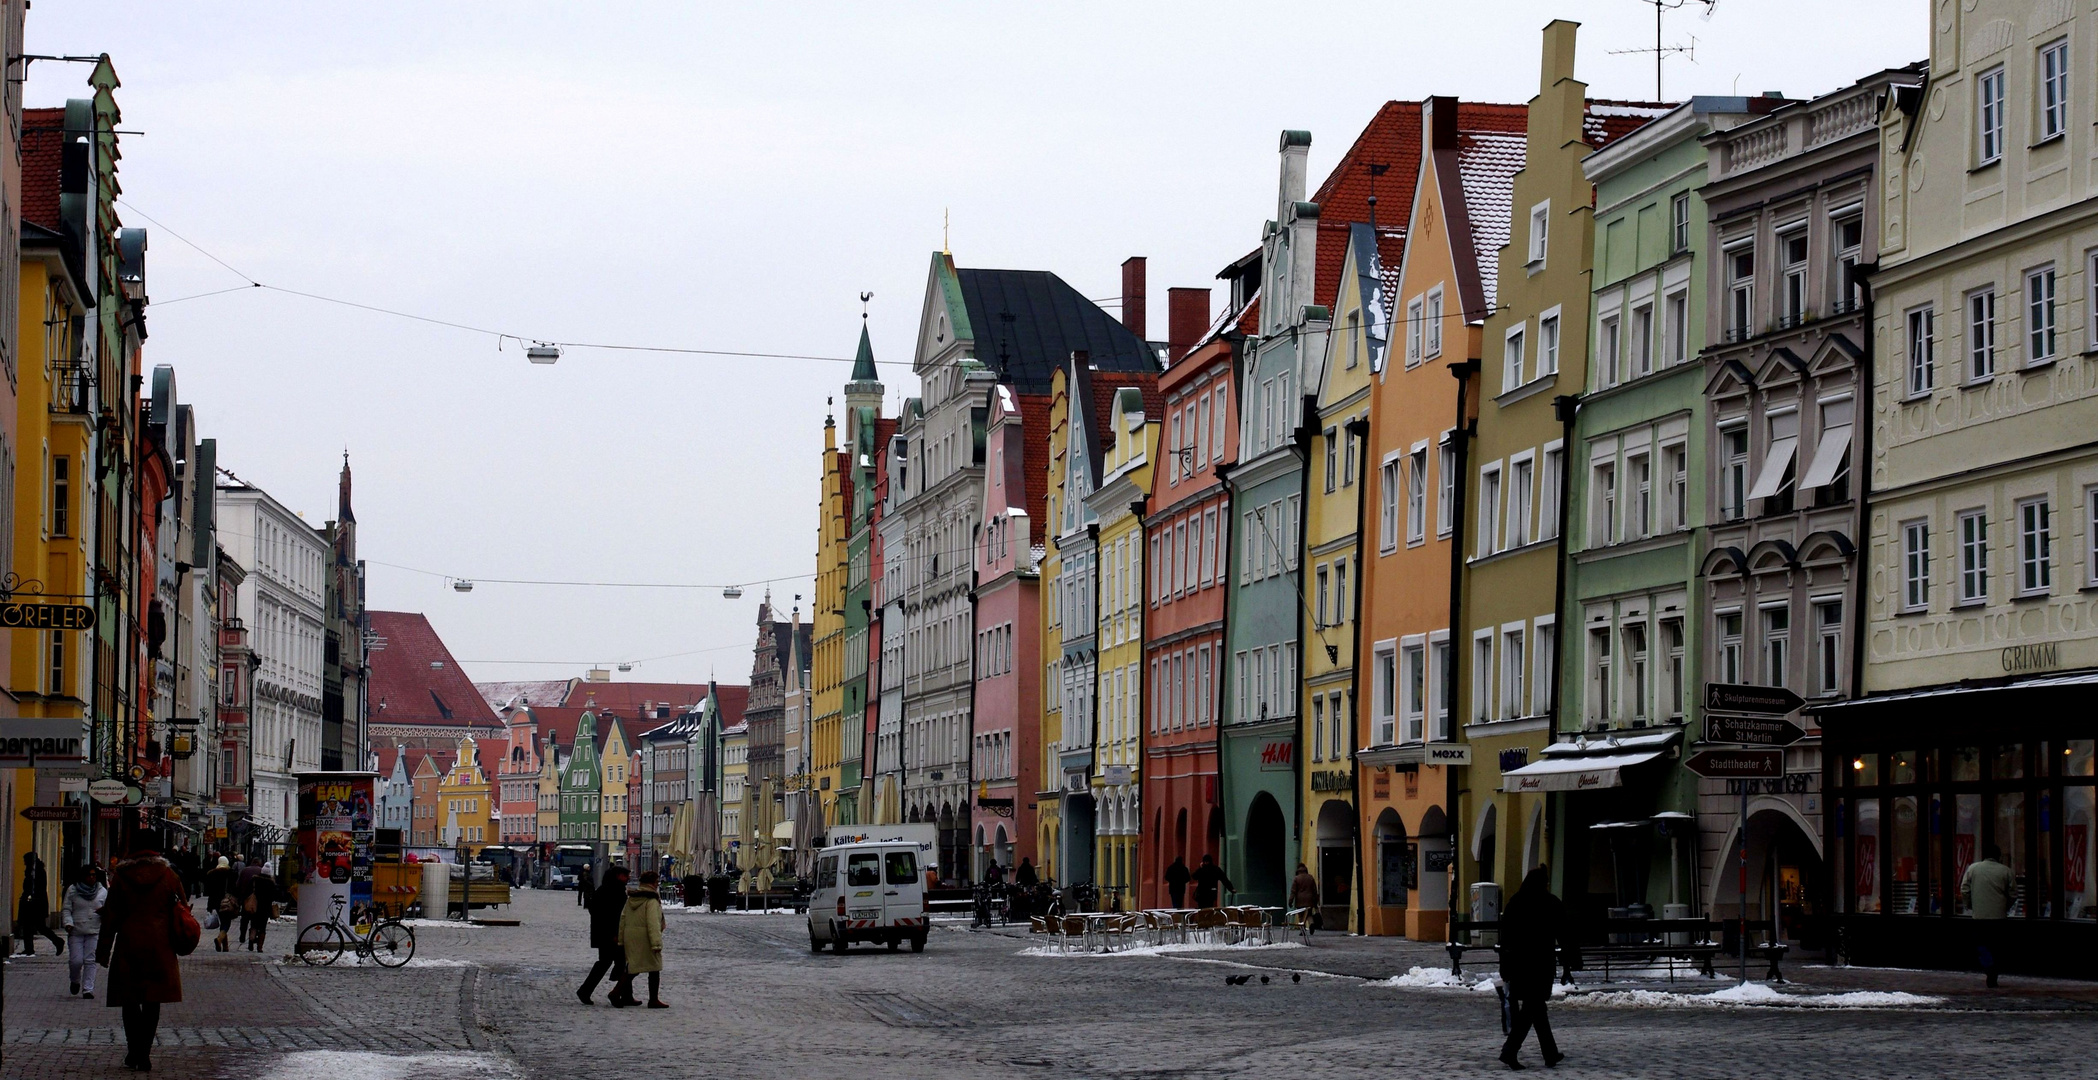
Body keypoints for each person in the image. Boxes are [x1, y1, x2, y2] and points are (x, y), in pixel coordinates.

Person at [98, 832, 185, 1072]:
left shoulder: (122, 877)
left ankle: (133, 1050)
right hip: (160, 946)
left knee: (129, 1000)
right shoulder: (169, 876)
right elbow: (182, 909)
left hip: (129, 945)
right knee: (152, 1001)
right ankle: (144, 1052)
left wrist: (103, 951)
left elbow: (110, 916)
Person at [1498, 866, 1567, 1070]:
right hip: (1540, 965)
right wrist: (1570, 960)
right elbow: (1563, 930)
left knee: (1536, 1010)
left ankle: (1550, 1053)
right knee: (1532, 1010)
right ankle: (1509, 1051)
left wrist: (1506, 966)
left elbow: (1506, 938)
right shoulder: (1549, 903)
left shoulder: (1516, 902)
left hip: (1520, 965)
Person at [1960, 842, 2016, 988]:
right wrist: (2005, 906)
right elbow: (2013, 894)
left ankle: (1988, 967)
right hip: (1999, 917)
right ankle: (1994, 971)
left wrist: (1970, 905)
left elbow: (1964, 889)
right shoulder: (2006, 871)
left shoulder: (1973, 869)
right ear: (1999, 857)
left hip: (1979, 917)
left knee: (1981, 945)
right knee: (1997, 946)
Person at [576, 865, 631, 1005]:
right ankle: (589, 991)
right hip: (609, 934)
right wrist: (613, 933)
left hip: (608, 933)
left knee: (618, 963)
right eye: (625, 875)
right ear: (617, 876)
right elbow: (609, 916)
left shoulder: (610, 889)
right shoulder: (610, 891)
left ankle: (624, 995)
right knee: (609, 963)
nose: (628, 878)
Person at [612, 870, 667, 1009]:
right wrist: (656, 943)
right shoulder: (651, 900)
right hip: (645, 937)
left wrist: (621, 939)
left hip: (631, 936)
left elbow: (623, 918)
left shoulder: (632, 898)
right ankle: (653, 999)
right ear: (653, 883)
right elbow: (653, 922)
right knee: (654, 968)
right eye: (656, 882)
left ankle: (617, 992)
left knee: (633, 967)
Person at [63, 865, 106, 998]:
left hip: (94, 930)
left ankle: (88, 989)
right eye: (89, 875)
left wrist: (104, 914)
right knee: (76, 961)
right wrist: (68, 923)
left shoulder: (102, 891)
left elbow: (108, 908)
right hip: (76, 930)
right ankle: (75, 980)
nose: (92, 878)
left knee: (90, 960)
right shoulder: (73, 890)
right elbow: (66, 909)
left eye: (94, 875)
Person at [15, 851, 62, 955]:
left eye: (25, 861)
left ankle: (58, 941)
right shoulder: (34, 871)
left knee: (39, 926)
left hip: (36, 904)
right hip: (34, 903)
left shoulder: (36, 872)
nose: (24, 863)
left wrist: (29, 897)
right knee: (30, 926)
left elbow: (34, 888)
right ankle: (29, 948)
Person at [242, 866, 277, 953]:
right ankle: (260, 947)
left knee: (253, 925)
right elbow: (274, 896)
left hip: (254, 907)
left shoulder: (254, 880)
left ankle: (251, 940)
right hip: (265, 909)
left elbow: (247, 891)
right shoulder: (271, 883)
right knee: (262, 928)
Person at [1291, 863, 1322, 934]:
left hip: (1300, 900)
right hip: (1309, 899)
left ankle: (1302, 930)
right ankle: (1311, 924)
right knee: (1309, 914)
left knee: (1301, 916)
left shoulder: (1296, 878)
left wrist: (1291, 900)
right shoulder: (1310, 877)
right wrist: (1315, 900)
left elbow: (1293, 891)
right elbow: (1314, 890)